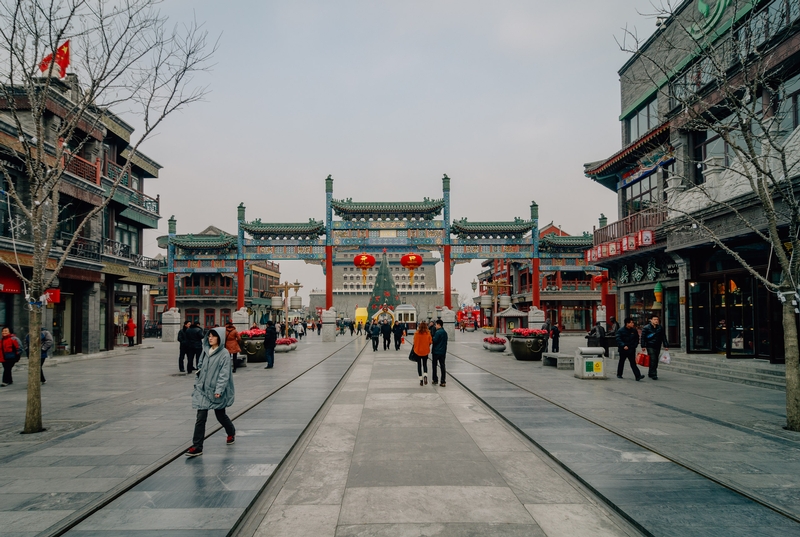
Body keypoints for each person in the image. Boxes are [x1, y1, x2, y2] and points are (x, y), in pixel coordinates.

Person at [185, 327, 236, 457]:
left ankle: (231, 431)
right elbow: (200, 366)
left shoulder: (224, 353)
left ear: (220, 338)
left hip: (215, 390)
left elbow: (224, 374)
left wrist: (219, 389)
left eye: (213, 336)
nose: (210, 338)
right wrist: (198, 381)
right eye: (209, 336)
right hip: (203, 389)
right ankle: (197, 446)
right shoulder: (205, 350)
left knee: (220, 415)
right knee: (201, 417)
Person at [641, 315, 669, 380]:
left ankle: (651, 372)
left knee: (655, 360)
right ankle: (654, 374)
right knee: (653, 359)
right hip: (650, 345)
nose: (656, 321)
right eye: (654, 319)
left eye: (657, 319)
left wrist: (666, 345)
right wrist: (643, 345)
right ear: (651, 320)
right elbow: (643, 337)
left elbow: (663, 337)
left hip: (657, 345)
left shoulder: (660, 328)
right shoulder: (646, 328)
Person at [413, 321, 432, 386]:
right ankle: (425, 376)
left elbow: (414, 342)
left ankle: (421, 380)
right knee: (425, 364)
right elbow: (430, 341)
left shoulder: (416, 333)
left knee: (419, 365)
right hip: (425, 351)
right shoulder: (428, 333)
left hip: (418, 351)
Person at [431, 319, 448, 387]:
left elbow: (434, 341)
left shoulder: (438, 332)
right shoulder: (445, 332)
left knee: (434, 366)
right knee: (442, 366)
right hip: (443, 352)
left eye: (436, 325)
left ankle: (435, 379)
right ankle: (443, 381)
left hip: (436, 351)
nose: (435, 326)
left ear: (439, 325)